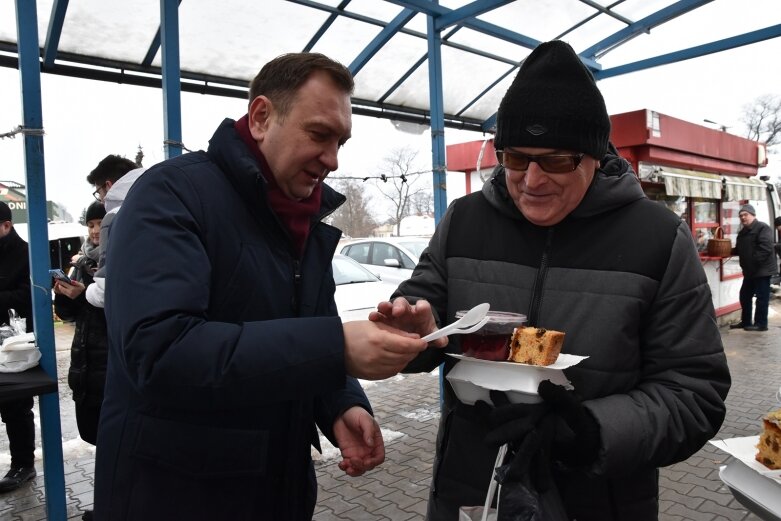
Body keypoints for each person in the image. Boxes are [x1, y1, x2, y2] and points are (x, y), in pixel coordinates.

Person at [371, 41, 731, 520]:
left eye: (557, 160)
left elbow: (695, 392)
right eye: (516, 158)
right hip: (473, 489)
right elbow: (426, 307)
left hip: (599, 499)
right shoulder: (464, 220)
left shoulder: (658, 238)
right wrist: (416, 330)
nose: (532, 180)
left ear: (595, 156)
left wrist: (589, 432)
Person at [93, 52, 431, 520]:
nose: (332, 159)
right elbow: (161, 352)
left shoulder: (303, 217)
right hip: (177, 496)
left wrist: (340, 403)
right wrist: (337, 348)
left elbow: (305, 330)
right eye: (318, 134)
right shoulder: (171, 195)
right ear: (261, 117)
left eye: (341, 142)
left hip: (279, 490)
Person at [54, 201, 107, 444]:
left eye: (100, 224)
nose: (95, 230)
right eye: (90, 225)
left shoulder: (118, 260)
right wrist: (62, 294)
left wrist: (85, 295)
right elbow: (68, 316)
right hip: (84, 367)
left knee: (111, 440)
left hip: (109, 367)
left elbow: (115, 311)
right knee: (91, 435)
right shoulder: (81, 263)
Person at [0, 201, 37, 493]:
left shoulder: (25, 253)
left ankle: (23, 465)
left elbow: (28, 296)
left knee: (16, 406)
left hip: (15, 344)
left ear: (6, 226)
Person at [84, 155, 145, 308]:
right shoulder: (166, 203)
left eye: (99, 193)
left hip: (141, 315)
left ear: (108, 186)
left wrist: (87, 291)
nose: (101, 200)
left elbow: (106, 291)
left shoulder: (114, 217)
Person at [730, 204, 776, 331]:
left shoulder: (762, 228)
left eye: (745, 215)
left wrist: (753, 261)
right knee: (744, 296)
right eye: (741, 216)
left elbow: (765, 248)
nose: (743, 218)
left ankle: (761, 324)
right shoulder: (743, 232)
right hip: (750, 270)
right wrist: (729, 251)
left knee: (762, 297)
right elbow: (740, 249)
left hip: (762, 269)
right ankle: (746, 322)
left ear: (753, 215)